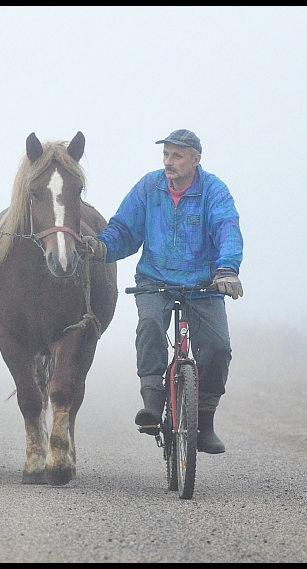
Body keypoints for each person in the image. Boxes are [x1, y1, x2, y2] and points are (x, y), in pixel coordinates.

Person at [83, 129, 243, 454]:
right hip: (154, 280)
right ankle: (153, 403)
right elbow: (124, 229)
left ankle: (205, 421)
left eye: (178, 156)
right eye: (166, 155)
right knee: (150, 325)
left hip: (203, 284)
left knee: (217, 348)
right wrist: (101, 247)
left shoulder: (214, 191)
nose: (169, 162)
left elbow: (227, 228)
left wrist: (227, 269)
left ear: (196, 159)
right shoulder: (148, 187)